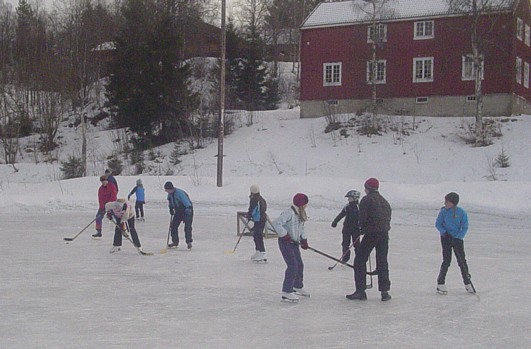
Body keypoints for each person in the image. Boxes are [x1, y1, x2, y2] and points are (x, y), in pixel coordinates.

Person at [347, 178, 392, 302]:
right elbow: (388, 216)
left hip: (371, 234)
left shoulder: (366, 200)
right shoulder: (384, 201)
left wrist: (361, 229)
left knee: (360, 260)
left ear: (367, 188)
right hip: (384, 234)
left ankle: (360, 291)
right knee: (382, 261)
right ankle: (385, 291)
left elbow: (362, 217)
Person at [273, 193, 311, 303]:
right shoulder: (288, 212)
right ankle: (286, 291)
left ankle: (297, 286)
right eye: (305, 204)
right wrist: (284, 235)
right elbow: (276, 224)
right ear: (301, 204)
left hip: (294, 242)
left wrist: (304, 240)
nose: (306, 206)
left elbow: (301, 228)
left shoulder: (301, 213)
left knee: (299, 264)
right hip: (285, 242)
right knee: (292, 266)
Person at [435, 192, 474, 295]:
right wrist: (444, 232)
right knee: (447, 260)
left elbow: (464, 227)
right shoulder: (443, 212)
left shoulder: (461, 213)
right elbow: (438, 224)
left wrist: (458, 237)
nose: (445, 203)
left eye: (447, 201)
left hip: (457, 239)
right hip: (446, 238)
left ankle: (467, 282)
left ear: (453, 202)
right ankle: (440, 282)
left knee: (462, 261)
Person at [331, 190, 361, 262]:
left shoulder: (359, 207)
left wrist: (364, 226)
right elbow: (341, 215)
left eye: (350, 197)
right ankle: (345, 258)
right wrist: (335, 222)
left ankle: (359, 259)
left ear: (355, 198)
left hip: (356, 229)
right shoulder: (347, 207)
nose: (348, 199)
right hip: (347, 228)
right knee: (345, 243)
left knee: (356, 244)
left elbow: (363, 217)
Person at [164, 181, 193, 249]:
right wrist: (171, 208)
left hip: (187, 210)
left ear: (170, 188)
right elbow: (170, 202)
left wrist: (187, 214)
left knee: (187, 227)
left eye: (167, 190)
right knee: (173, 226)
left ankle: (189, 242)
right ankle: (175, 241)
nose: (166, 192)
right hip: (178, 211)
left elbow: (187, 204)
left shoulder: (179, 193)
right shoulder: (170, 194)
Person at [247, 184, 268, 262]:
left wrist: (249, 216)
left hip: (259, 220)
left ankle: (262, 252)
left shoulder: (255, 199)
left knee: (258, 236)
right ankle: (258, 251)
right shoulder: (261, 199)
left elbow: (252, 209)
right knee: (256, 236)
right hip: (260, 219)